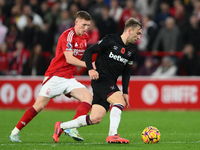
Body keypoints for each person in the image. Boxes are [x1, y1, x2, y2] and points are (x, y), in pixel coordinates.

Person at [52, 17, 142, 143]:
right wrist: (90, 69)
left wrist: (125, 92)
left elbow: (127, 72)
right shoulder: (110, 40)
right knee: (119, 102)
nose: (139, 37)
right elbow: (89, 52)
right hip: (100, 78)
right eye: (138, 33)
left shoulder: (132, 50)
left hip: (110, 82)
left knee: (95, 118)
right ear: (129, 30)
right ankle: (113, 135)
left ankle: (61, 126)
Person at [9, 11, 93, 142]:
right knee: (39, 106)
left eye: (88, 25)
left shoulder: (85, 37)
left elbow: (79, 57)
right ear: (76, 22)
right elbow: (70, 59)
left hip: (69, 77)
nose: (86, 28)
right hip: (56, 75)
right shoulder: (68, 35)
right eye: (84, 25)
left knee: (88, 98)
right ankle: (15, 132)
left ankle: (72, 128)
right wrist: (90, 65)